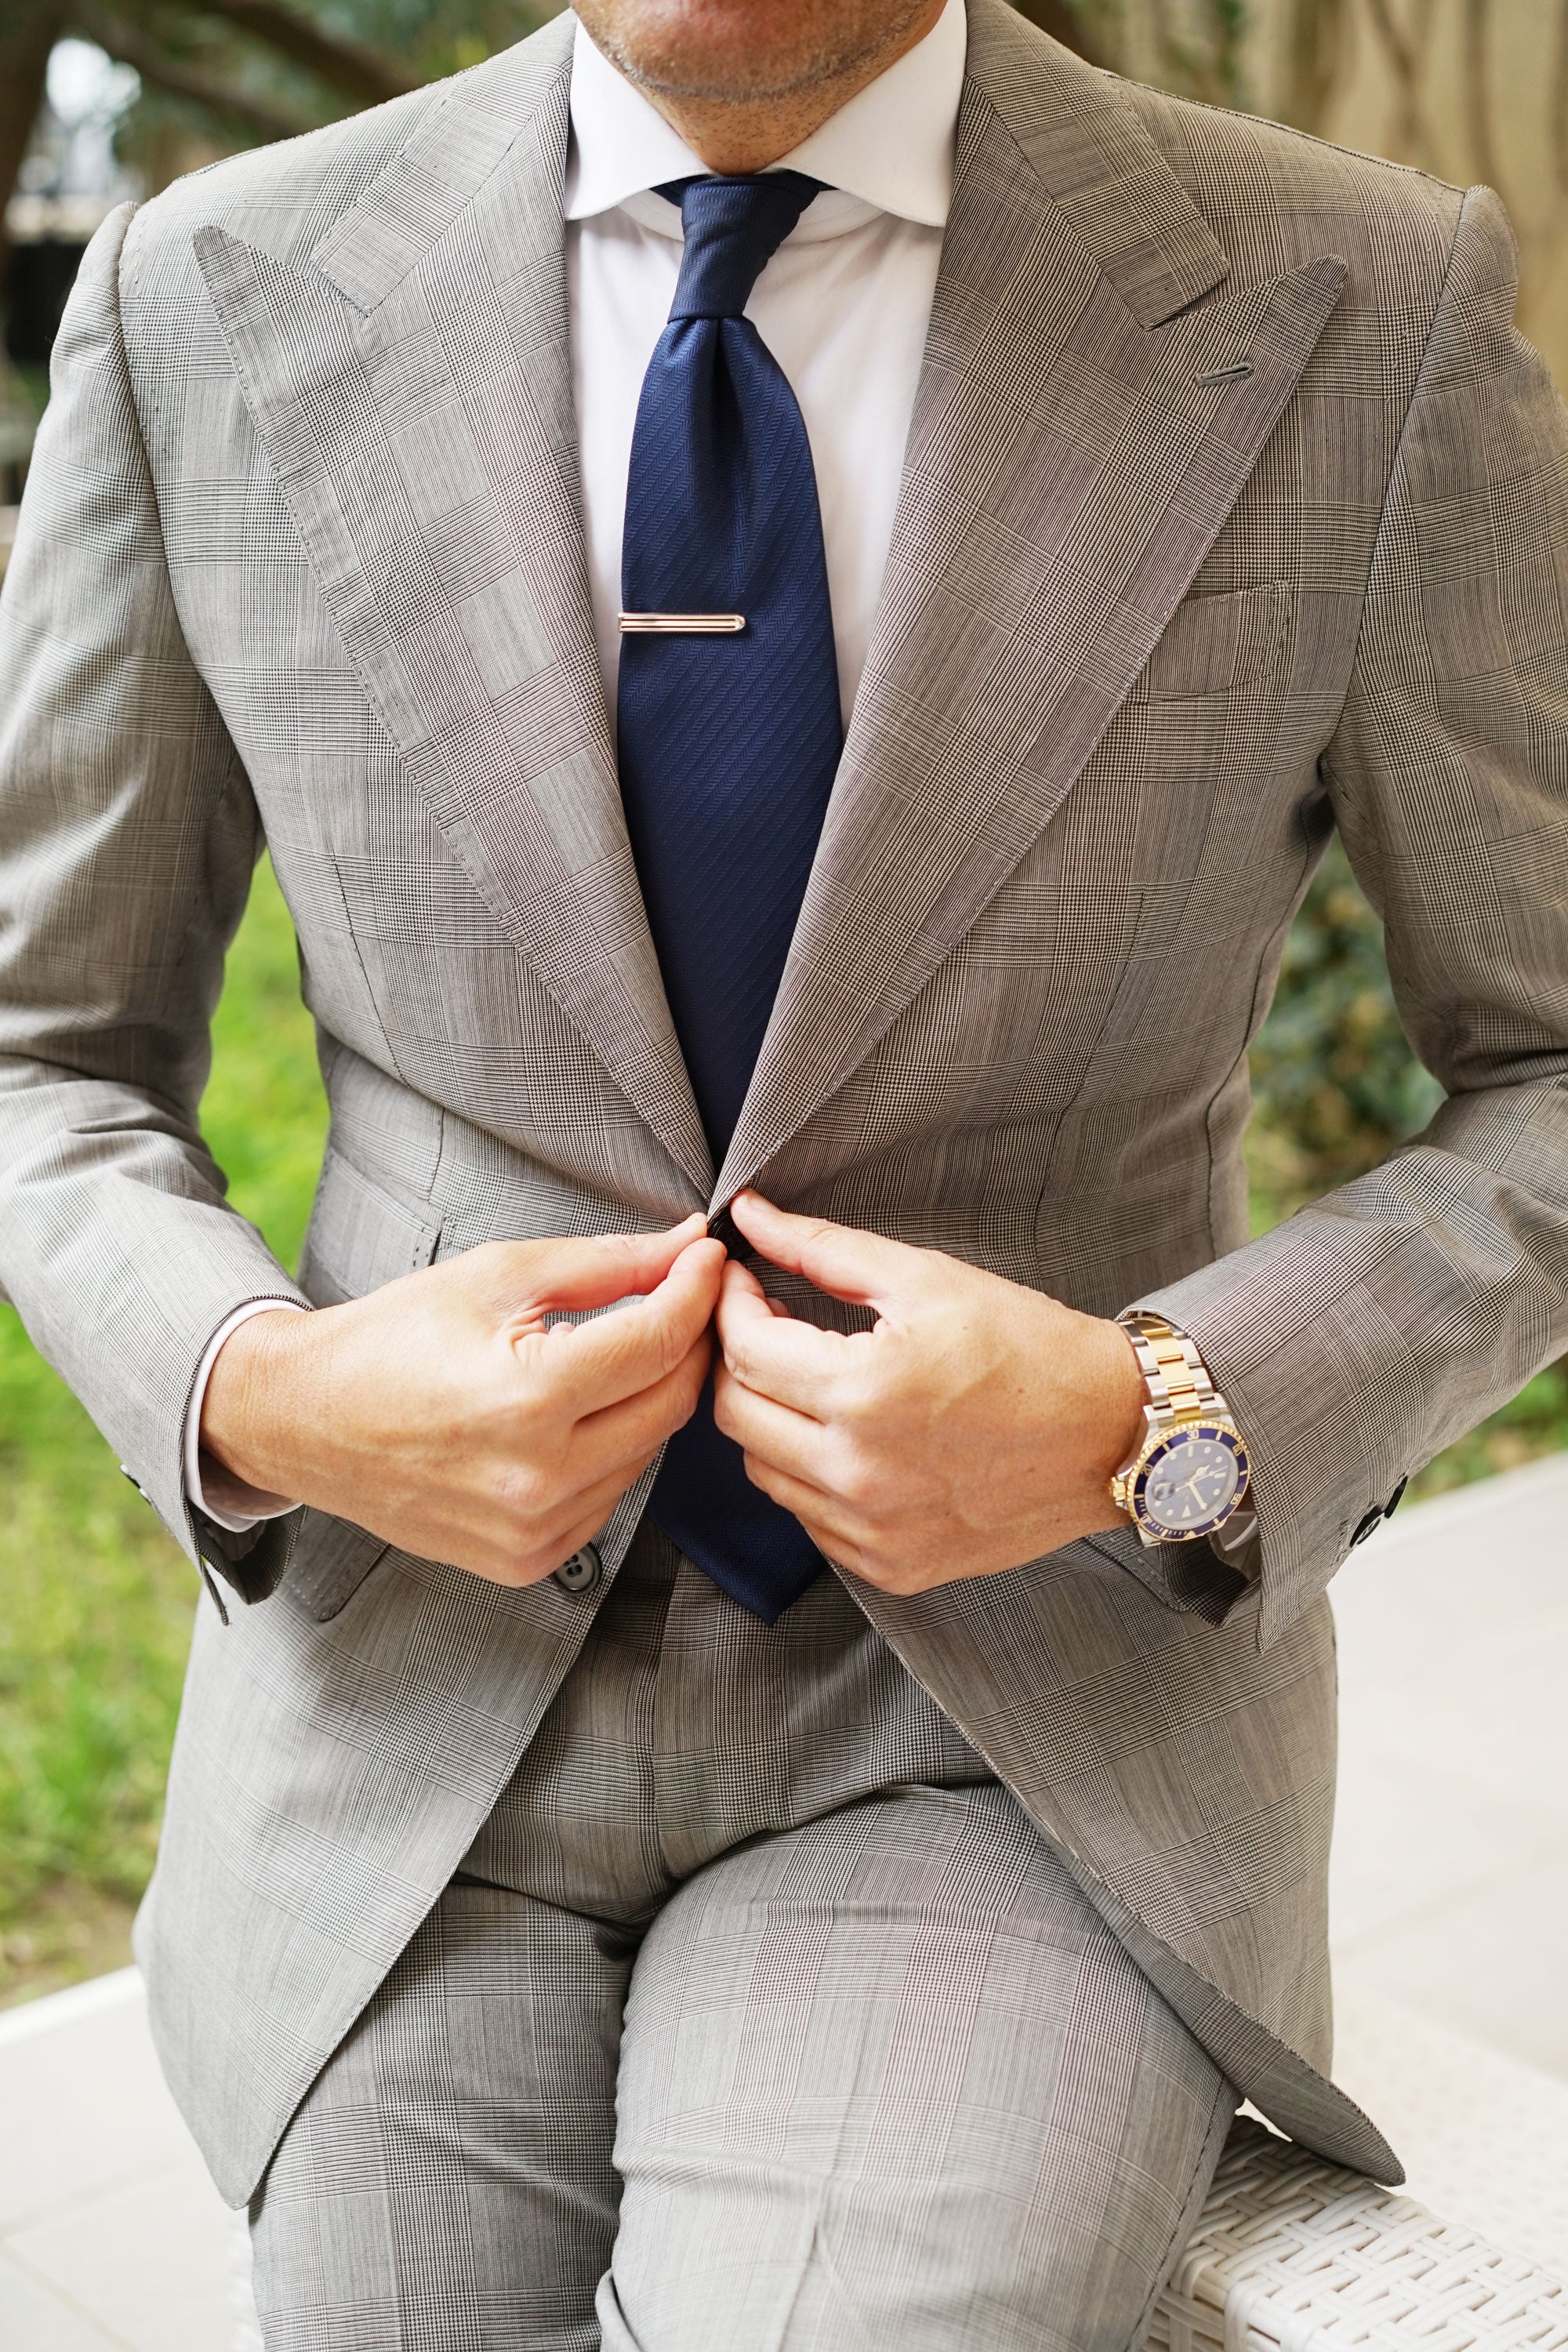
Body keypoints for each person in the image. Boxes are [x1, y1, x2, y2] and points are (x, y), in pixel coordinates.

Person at [2, 0, 1566, 2339]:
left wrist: (1154, 1409)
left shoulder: (1359, 306)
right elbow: (45, 1054)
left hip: (1007, 1730)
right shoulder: (199, 296)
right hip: (410, 1731)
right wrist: (269, 1392)